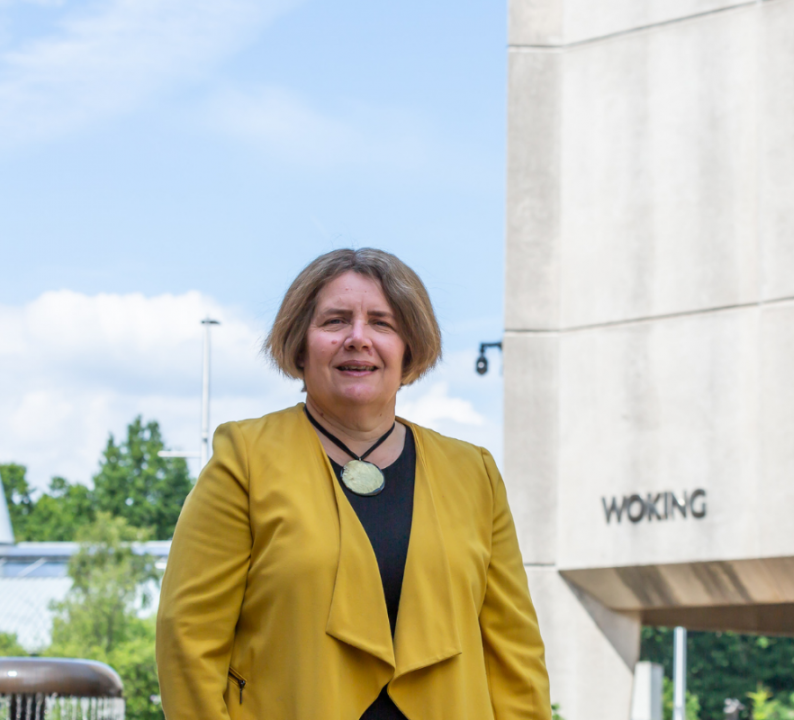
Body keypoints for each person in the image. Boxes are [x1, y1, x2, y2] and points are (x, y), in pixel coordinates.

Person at [156, 248, 551, 720]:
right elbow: (189, 639)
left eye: (382, 323)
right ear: (300, 345)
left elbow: (515, 657)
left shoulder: (475, 474)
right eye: (335, 321)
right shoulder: (244, 459)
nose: (358, 338)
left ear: (410, 347)